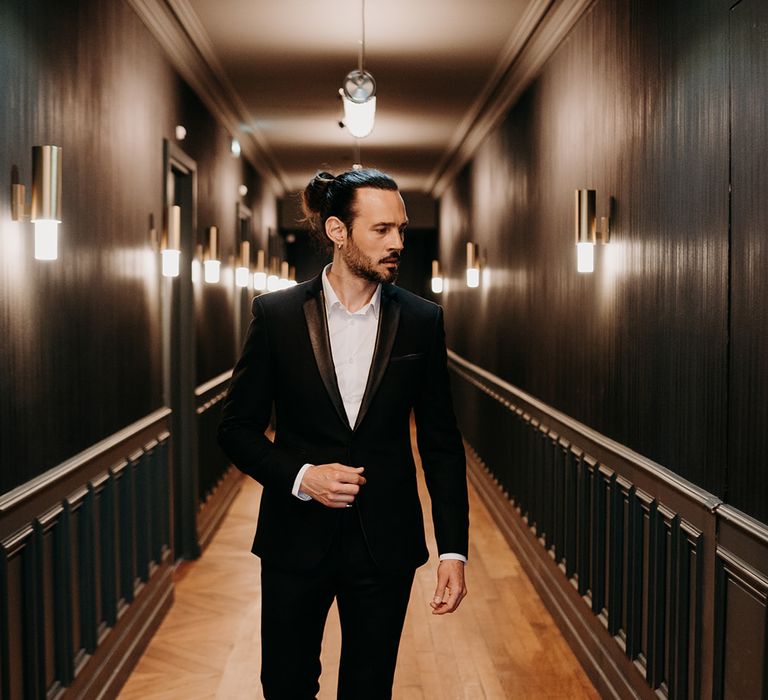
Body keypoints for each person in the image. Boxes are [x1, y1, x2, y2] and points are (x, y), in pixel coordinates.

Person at [218, 168, 469, 699]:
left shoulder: (422, 321)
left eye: (401, 229)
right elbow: (236, 429)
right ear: (338, 231)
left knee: (369, 688)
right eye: (382, 230)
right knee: (284, 686)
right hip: (294, 539)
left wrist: (453, 551)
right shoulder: (277, 315)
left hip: (386, 543)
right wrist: (302, 476)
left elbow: (441, 443)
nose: (398, 243)